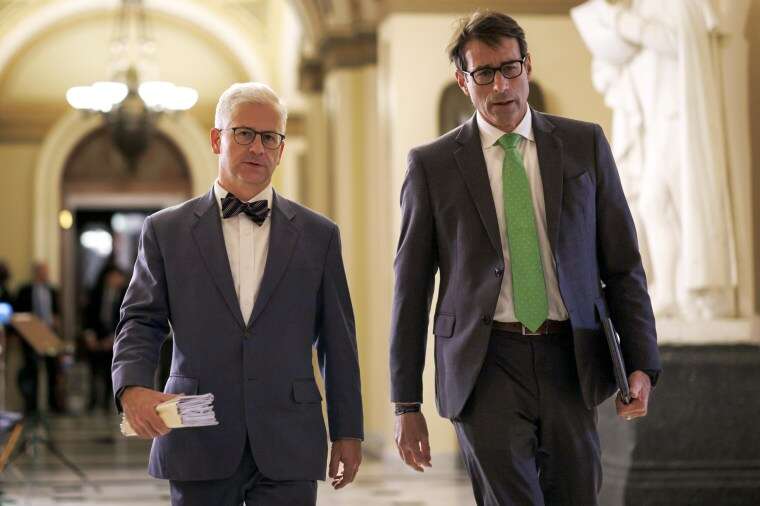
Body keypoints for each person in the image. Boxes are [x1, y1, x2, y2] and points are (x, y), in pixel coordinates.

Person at [389, 11, 661, 506]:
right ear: (462, 80)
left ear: (527, 66)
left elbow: (622, 264)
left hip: (571, 357)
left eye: (509, 68)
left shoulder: (584, 144)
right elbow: (411, 291)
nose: (500, 85)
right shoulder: (431, 166)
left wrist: (641, 361)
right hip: (484, 363)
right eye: (484, 73)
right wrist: (405, 403)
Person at [112, 82, 363, 506]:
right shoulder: (165, 231)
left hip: (289, 436)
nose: (257, 148)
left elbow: (338, 341)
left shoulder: (319, 235)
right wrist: (131, 386)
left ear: (281, 150)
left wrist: (348, 430)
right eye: (243, 133)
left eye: (269, 138)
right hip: (198, 432)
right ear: (217, 139)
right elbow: (141, 320)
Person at [15, 262, 64, 414]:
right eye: (42, 271)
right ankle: (31, 406)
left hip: (49, 334)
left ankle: (53, 404)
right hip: (30, 335)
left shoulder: (52, 291)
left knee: (52, 370)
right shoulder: (24, 291)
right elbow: (19, 313)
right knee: (31, 370)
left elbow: (56, 311)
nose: (45, 274)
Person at [83, 264, 127, 411]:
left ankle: (107, 403)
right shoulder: (95, 293)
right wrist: (90, 336)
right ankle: (92, 401)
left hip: (115, 340)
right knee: (94, 372)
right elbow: (87, 316)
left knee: (111, 373)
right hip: (96, 339)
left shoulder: (126, 295)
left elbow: (126, 320)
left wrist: (113, 338)